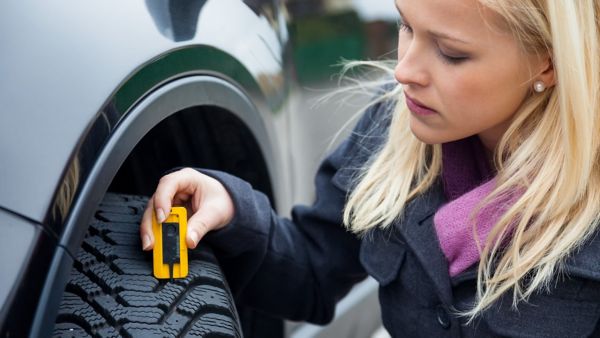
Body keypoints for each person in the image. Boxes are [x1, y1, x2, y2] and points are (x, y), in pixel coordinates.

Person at [140, 0, 600, 336]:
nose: (404, 70)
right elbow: (314, 271)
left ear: (548, 61)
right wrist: (232, 212)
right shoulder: (391, 128)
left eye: (451, 53)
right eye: (406, 25)